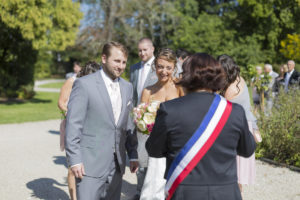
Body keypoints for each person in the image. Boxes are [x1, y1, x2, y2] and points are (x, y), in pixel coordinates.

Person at [146, 53, 256, 200]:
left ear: (186, 76)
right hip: (226, 193)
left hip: (185, 193)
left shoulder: (169, 109)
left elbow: (154, 150)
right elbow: (247, 150)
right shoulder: (234, 111)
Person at [65, 42, 139, 200]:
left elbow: (128, 124)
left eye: (124, 62)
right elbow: (73, 125)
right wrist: (75, 159)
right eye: (117, 61)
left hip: (117, 165)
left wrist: (133, 154)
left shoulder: (127, 87)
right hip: (89, 164)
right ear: (104, 58)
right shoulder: (84, 84)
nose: (121, 66)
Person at [139, 48, 184, 200]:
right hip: (156, 146)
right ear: (155, 67)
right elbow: (141, 120)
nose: (164, 71)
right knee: (154, 185)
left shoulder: (180, 88)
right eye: (160, 66)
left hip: (176, 145)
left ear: (174, 68)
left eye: (168, 67)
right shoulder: (148, 91)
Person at [218, 54, 261, 193]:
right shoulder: (239, 79)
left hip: (237, 127)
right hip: (243, 124)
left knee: (234, 171)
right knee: (236, 171)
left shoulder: (231, 89)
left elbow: (223, 109)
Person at [58, 61, 100, 200]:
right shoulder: (73, 81)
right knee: (72, 166)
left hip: (92, 127)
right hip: (73, 125)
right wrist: (74, 114)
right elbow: (61, 103)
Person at [130, 38, 157, 200]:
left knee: (154, 159)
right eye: (139, 50)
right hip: (139, 118)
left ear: (152, 49)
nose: (142, 53)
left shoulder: (160, 67)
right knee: (139, 157)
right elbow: (134, 94)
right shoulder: (134, 69)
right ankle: (140, 192)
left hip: (156, 118)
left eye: (145, 50)